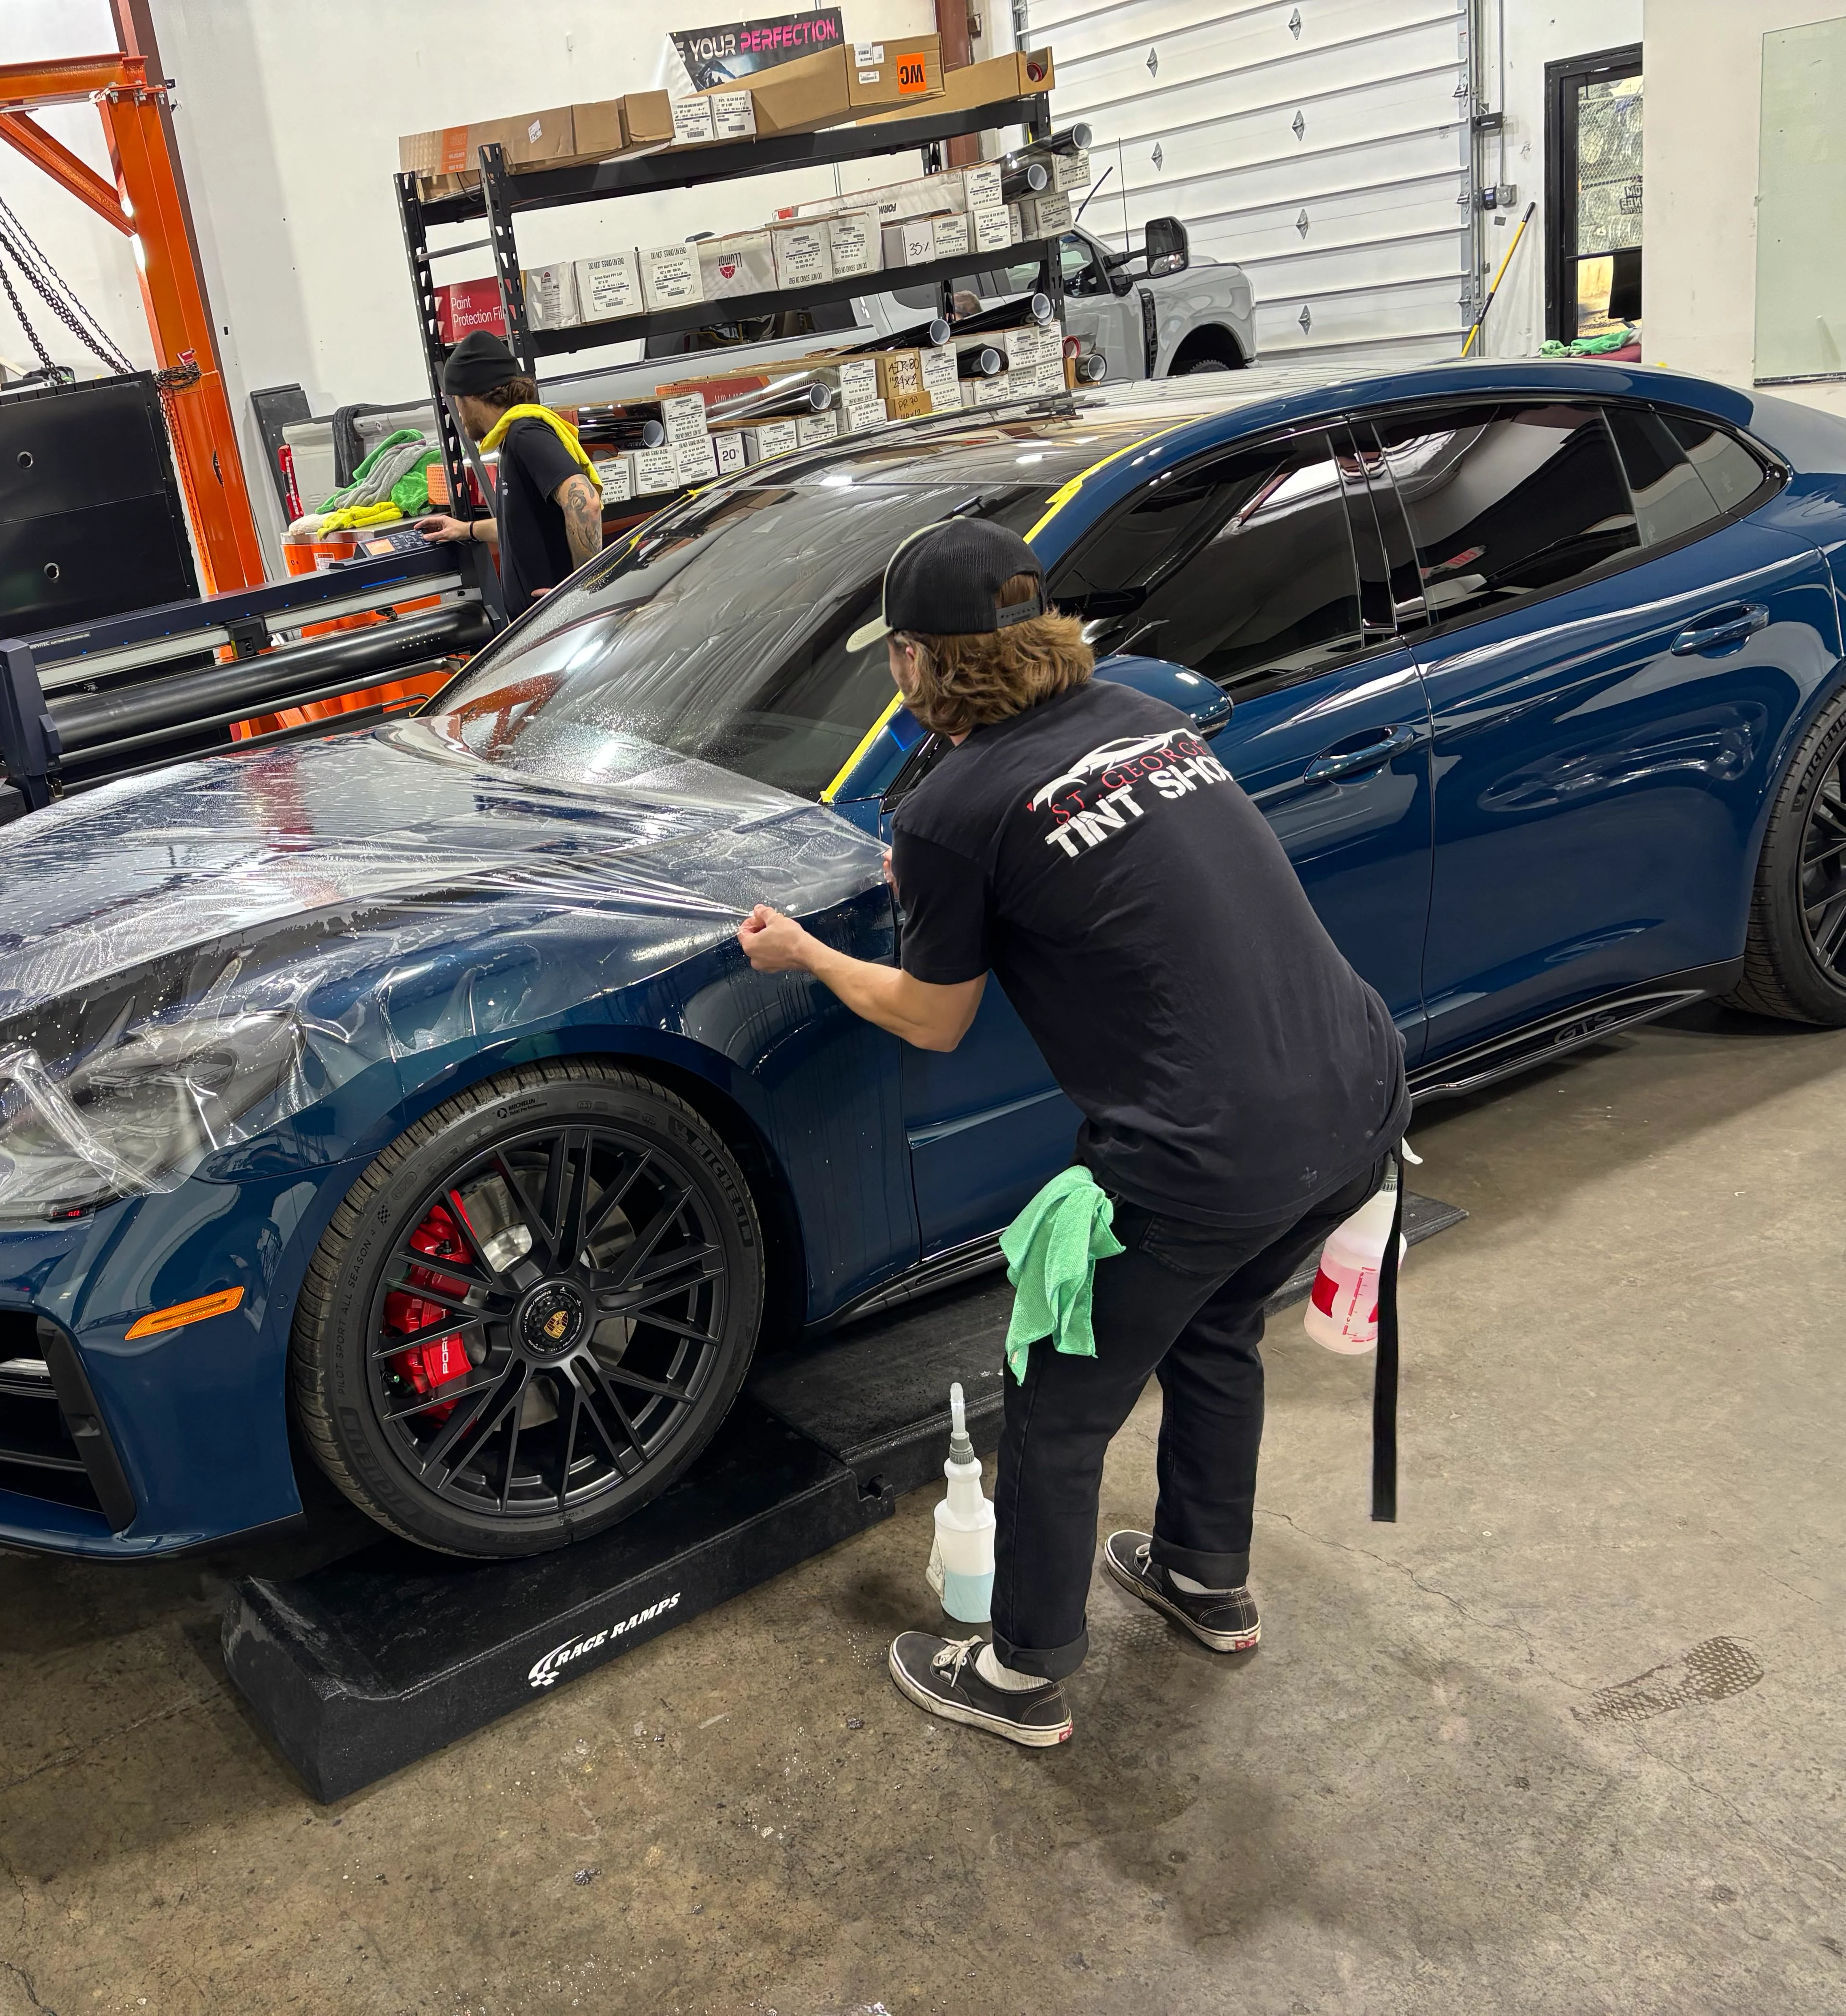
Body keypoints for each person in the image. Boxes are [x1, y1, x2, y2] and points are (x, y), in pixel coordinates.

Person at [736, 520, 1407, 1748]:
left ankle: (1021, 1669)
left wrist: (804, 952)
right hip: (1361, 1097)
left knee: (1053, 1394)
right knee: (1213, 1329)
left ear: (912, 664)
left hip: (1199, 1150)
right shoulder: (1143, 714)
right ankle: (1206, 1577)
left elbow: (932, 1020)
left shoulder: (952, 807)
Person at [415, 328, 603, 621]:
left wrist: (582, 588)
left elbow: (585, 502)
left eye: (457, 402)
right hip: (544, 620)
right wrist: (465, 530)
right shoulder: (511, 439)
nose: (459, 415)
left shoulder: (524, 433)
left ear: (471, 397)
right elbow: (523, 528)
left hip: (558, 621)